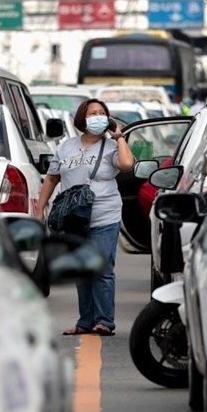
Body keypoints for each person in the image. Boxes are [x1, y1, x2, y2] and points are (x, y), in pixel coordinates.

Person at [36, 98, 135, 336]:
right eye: (93, 113)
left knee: (102, 268)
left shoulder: (112, 147)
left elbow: (127, 163)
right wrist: (39, 209)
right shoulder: (66, 147)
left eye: (103, 113)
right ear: (82, 118)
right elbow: (52, 178)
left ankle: (104, 321)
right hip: (73, 217)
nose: (98, 116)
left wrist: (119, 136)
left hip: (104, 214)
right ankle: (85, 321)